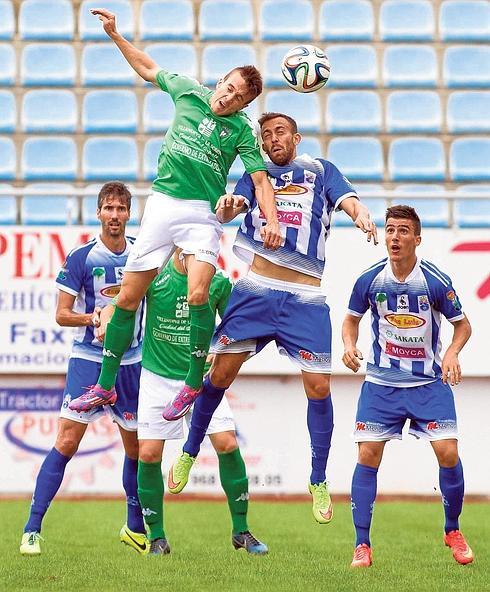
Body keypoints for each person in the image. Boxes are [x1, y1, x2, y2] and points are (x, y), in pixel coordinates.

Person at [164, 112, 378, 524]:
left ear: (296, 137)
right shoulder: (255, 173)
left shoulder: (321, 170)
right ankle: (189, 451)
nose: (272, 139)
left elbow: (348, 199)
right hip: (257, 290)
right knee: (220, 375)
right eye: (265, 135)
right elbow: (234, 208)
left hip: (305, 296)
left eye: (279, 132)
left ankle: (317, 479)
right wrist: (228, 205)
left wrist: (361, 213)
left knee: (318, 386)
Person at [68, 8, 281, 415]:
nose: (229, 96)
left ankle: (190, 382)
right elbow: (147, 67)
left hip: (202, 214)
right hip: (163, 204)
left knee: (198, 291)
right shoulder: (187, 90)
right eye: (230, 87)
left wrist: (271, 220)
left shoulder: (241, 131)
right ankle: (106, 386)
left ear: (245, 105)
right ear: (221, 80)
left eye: (239, 97)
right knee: (128, 298)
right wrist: (116, 35)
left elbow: (259, 181)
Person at [98, 249, 267, 555]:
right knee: (148, 454)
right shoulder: (154, 272)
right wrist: (105, 316)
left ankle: (241, 530)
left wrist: (222, 347)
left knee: (228, 444)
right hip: (157, 377)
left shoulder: (217, 281)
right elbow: (119, 303)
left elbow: (234, 329)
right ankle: (158, 537)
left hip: (201, 379)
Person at [20, 182, 148, 556]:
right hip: (89, 361)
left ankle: (135, 528)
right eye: (108, 208)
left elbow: (153, 302)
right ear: (98, 213)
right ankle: (32, 529)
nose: (114, 215)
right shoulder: (81, 257)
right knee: (66, 441)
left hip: (132, 362)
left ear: (128, 214)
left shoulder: (142, 254)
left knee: (137, 447)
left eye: (120, 209)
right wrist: (94, 317)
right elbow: (61, 315)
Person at [342, 205, 473, 568]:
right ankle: (362, 545)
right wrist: (349, 346)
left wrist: (452, 352)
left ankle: (452, 530)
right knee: (367, 454)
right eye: (389, 230)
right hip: (381, 384)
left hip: (428, 384)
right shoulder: (369, 280)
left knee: (448, 452)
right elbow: (350, 320)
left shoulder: (435, 281)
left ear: (417, 238)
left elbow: (463, 325)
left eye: (403, 231)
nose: (395, 237)